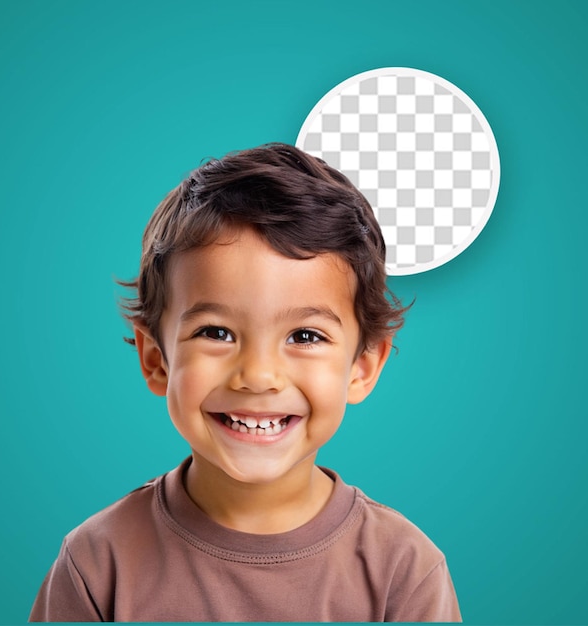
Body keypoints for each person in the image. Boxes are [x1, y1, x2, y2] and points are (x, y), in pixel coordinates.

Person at [29, 143, 461, 622]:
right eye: (216, 333)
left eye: (304, 336)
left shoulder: (403, 570)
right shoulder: (96, 564)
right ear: (157, 359)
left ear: (362, 366)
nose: (258, 376)